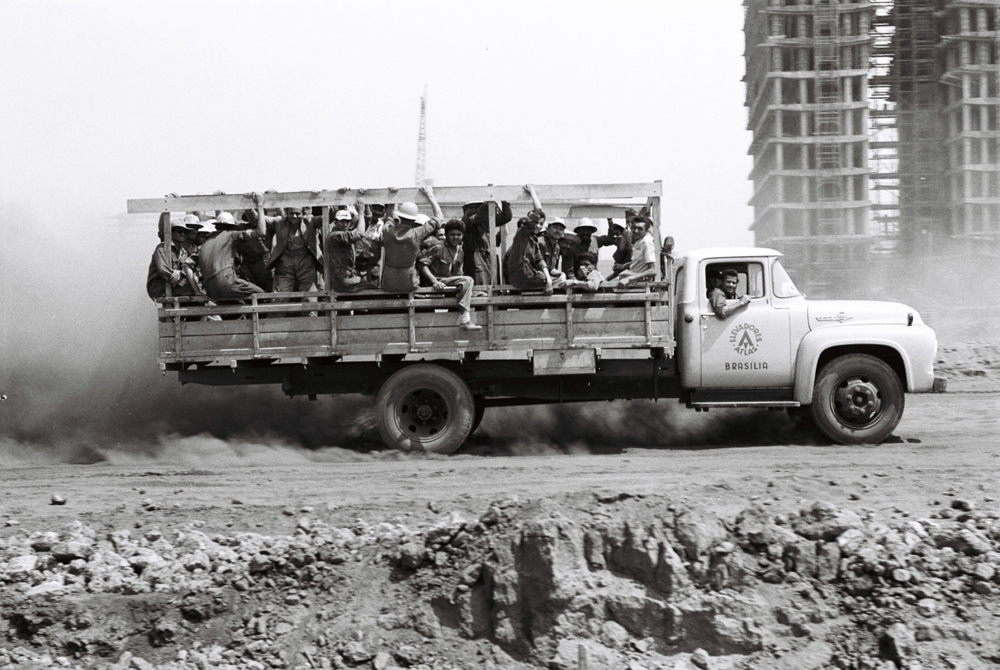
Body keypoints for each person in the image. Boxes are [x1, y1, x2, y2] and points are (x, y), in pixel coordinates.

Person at [418, 219, 482, 330]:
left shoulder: (460, 250)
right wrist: (434, 281)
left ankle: (453, 324)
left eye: (459, 234)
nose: (455, 237)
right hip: (440, 283)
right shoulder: (438, 247)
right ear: (447, 235)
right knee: (468, 280)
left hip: (451, 284)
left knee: (481, 293)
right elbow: (422, 265)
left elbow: (458, 273)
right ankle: (465, 321)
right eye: (452, 234)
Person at [246, 206, 323, 294]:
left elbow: (329, 218)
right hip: (285, 263)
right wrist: (249, 208)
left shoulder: (311, 221)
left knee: (310, 296)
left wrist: (335, 201)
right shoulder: (279, 222)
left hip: (306, 262)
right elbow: (256, 219)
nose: (294, 216)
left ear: (303, 213)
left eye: (298, 214)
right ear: (286, 212)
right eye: (291, 213)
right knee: (280, 296)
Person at [199, 204, 268, 301]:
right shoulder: (232, 235)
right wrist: (260, 206)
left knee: (235, 304)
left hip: (210, 289)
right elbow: (261, 232)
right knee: (262, 295)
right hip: (226, 282)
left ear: (216, 226)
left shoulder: (207, 240)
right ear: (231, 227)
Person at [381, 195, 443, 293]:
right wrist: (430, 195)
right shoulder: (417, 233)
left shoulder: (387, 231)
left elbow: (388, 217)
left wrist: (393, 199)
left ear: (399, 217)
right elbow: (439, 218)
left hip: (389, 281)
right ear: (414, 220)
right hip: (409, 281)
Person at [507, 210, 564, 294]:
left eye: (541, 224)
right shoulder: (523, 237)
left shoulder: (535, 241)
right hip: (521, 280)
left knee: (560, 281)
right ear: (547, 229)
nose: (538, 226)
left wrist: (551, 279)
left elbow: (540, 261)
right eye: (555, 227)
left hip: (532, 279)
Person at [327, 206, 379, 293]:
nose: (345, 224)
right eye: (342, 221)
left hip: (345, 278)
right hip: (344, 279)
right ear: (335, 222)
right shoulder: (336, 235)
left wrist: (365, 207)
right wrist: (360, 211)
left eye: (347, 221)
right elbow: (360, 233)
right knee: (374, 290)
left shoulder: (343, 233)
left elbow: (365, 223)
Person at [462, 195, 513, 284]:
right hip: (476, 259)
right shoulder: (467, 222)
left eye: (478, 207)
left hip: (487, 259)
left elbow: (506, 217)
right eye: (473, 208)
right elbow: (479, 217)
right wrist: (491, 197)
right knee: (480, 288)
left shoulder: (484, 223)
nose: (476, 210)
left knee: (491, 285)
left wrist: (503, 200)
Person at [147, 215, 197, 301]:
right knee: (194, 289)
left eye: (185, 232)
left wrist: (180, 273)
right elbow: (163, 270)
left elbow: (185, 268)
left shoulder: (183, 251)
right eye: (180, 231)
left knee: (197, 287)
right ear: (171, 233)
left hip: (174, 284)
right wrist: (178, 276)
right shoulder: (162, 248)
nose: (183, 234)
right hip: (159, 287)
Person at [615, 216, 657, 289]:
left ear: (646, 230)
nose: (636, 231)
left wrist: (629, 278)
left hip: (637, 284)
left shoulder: (647, 242)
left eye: (640, 229)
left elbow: (653, 270)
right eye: (634, 228)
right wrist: (624, 266)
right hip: (631, 279)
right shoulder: (639, 241)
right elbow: (641, 261)